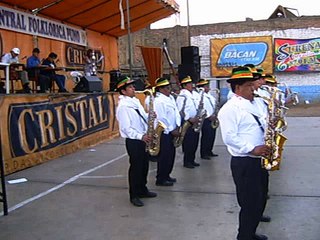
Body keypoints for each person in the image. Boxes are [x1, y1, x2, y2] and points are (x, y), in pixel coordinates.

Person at [217, 66, 272, 240]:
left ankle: (251, 232)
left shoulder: (255, 102)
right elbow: (229, 137)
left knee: (261, 198)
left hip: (260, 160)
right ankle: (244, 236)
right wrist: (252, 148)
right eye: (249, 85)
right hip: (245, 162)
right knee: (249, 204)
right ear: (238, 87)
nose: (254, 88)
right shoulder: (229, 109)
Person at [115, 75, 157, 207]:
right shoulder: (123, 107)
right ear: (123, 91)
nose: (133, 89)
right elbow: (126, 129)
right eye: (130, 87)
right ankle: (134, 195)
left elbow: (142, 116)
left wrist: (150, 115)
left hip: (143, 138)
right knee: (136, 168)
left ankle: (142, 189)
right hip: (134, 141)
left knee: (144, 165)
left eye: (133, 86)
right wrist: (141, 137)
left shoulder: (135, 101)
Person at [153, 77, 181, 186]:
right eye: (166, 88)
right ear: (160, 89)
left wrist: (178, 126)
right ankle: (161, 178)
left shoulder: (170, 98)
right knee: (164, 156)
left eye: (169, 87)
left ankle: (167, 175)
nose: (169, 89)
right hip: (164, 133)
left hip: (173, 131)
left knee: (171, 155)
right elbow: (161, 119)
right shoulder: (159, 101)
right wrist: (171, 130)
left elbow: (176, 113)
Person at [175, 76, 200, 169]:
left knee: (195, 141)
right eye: (189, 84)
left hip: (195, 121)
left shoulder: (192, 94)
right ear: (184, 86)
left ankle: (192, 159)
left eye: (191, 83)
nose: (191, 85)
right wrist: (188, 119)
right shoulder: (182, 96)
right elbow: (180, 110)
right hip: (188, 122)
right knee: (189, 142)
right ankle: (187, 161)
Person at [196, 79, 219, 160]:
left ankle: (209, 150)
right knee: (206, 136)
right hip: (206, 118)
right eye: (206, 86)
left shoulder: (209, 95)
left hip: (212, 117)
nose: (208, 87)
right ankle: (204, 153)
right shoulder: (200, 96)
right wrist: (208, 116)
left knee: (212, 136)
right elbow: (201, 108)